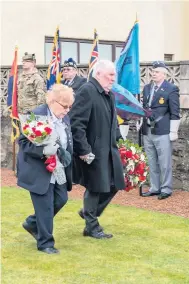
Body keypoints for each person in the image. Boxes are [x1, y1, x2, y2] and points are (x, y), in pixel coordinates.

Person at [69, 60, 125, 239]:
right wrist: (84, 150)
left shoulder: (109, 94)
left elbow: (113, 122)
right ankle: (92, 227)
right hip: (92, 150)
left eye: (114, 75)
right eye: (110, 75)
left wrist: (121, 143)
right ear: (98, 74)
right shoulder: (87, 91)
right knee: (95, 187)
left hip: (109, 149)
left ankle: (88, 213)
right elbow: (76, 124)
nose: (113, 78)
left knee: (116, 183)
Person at [17, 84, 74, 254]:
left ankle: (32, 223)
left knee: (61, 199)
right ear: (53, 101)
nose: (67, 110)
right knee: (45, 206)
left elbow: (66, 140)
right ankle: (45, 243)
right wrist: (43, 150)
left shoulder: (64, 117)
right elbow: (24, 143)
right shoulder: (36, 115)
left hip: (58, 168)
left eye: (70, 107)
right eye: (65, 106)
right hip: (38, 169)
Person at [141, 61, 180, 200]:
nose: (153, 74)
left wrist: (173, 131)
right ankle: (155, 187)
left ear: (164, 73)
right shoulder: (146, 88)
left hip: (163, 130)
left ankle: (166, 188)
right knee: (151, 161)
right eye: (153, 71)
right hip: (148, 130)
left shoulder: (171, 88)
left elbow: (175, 112)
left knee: (164, 162)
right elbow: (144, 107)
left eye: (157, 72)